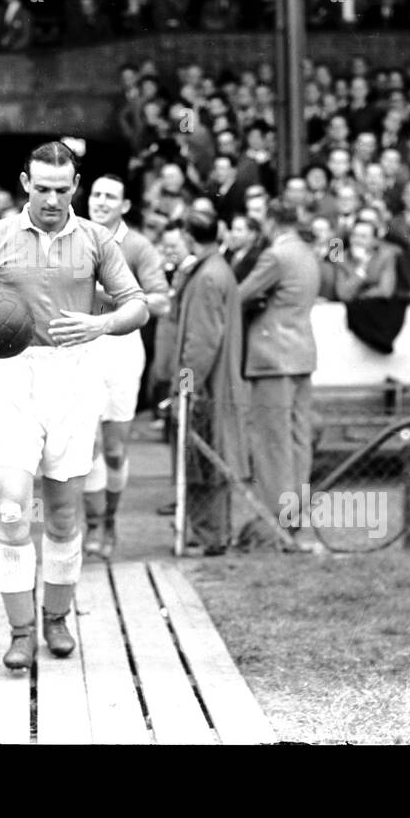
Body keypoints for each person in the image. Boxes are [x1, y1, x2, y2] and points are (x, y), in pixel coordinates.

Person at [0, 142, 147, 672]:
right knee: (11, 514)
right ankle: (20, 631)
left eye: (63, 188)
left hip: (74, 376)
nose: (52, 198)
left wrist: (100, 323)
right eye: (43, 187)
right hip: (9, 379)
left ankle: (56, 619)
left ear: (75, 186)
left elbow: (138, 305)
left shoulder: (97, 240)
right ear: (25, 182)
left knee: (60, 514)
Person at [82, 173, 170, 559]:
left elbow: (162, 302)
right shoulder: (73, 237)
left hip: (120, 348)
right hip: (80, 347)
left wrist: (111, 299)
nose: (101, 201)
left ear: (125, 205)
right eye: (97, 194)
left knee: (114, 449)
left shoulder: (137, 246)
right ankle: (93, 527)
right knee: (87, 445)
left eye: (110, 196)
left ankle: (112, 519)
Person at [168, 210, 251, 555]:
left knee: (203, 460)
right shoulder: (214, 270)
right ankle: (211, 533)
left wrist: (184, 389)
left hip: (206, 386)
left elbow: (199, 345)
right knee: (208, 458)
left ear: (188, 237)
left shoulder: (207, 277)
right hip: (216, 381)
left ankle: (209, 536)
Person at [238, 200, 320, 536]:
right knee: (299, 438)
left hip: (273, 357)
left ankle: (275, 516)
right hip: (301, 353)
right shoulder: (307, 252)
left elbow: (238, 294)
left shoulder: (276, 255)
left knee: (272, 441)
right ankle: (296, 511)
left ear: (272, 222)